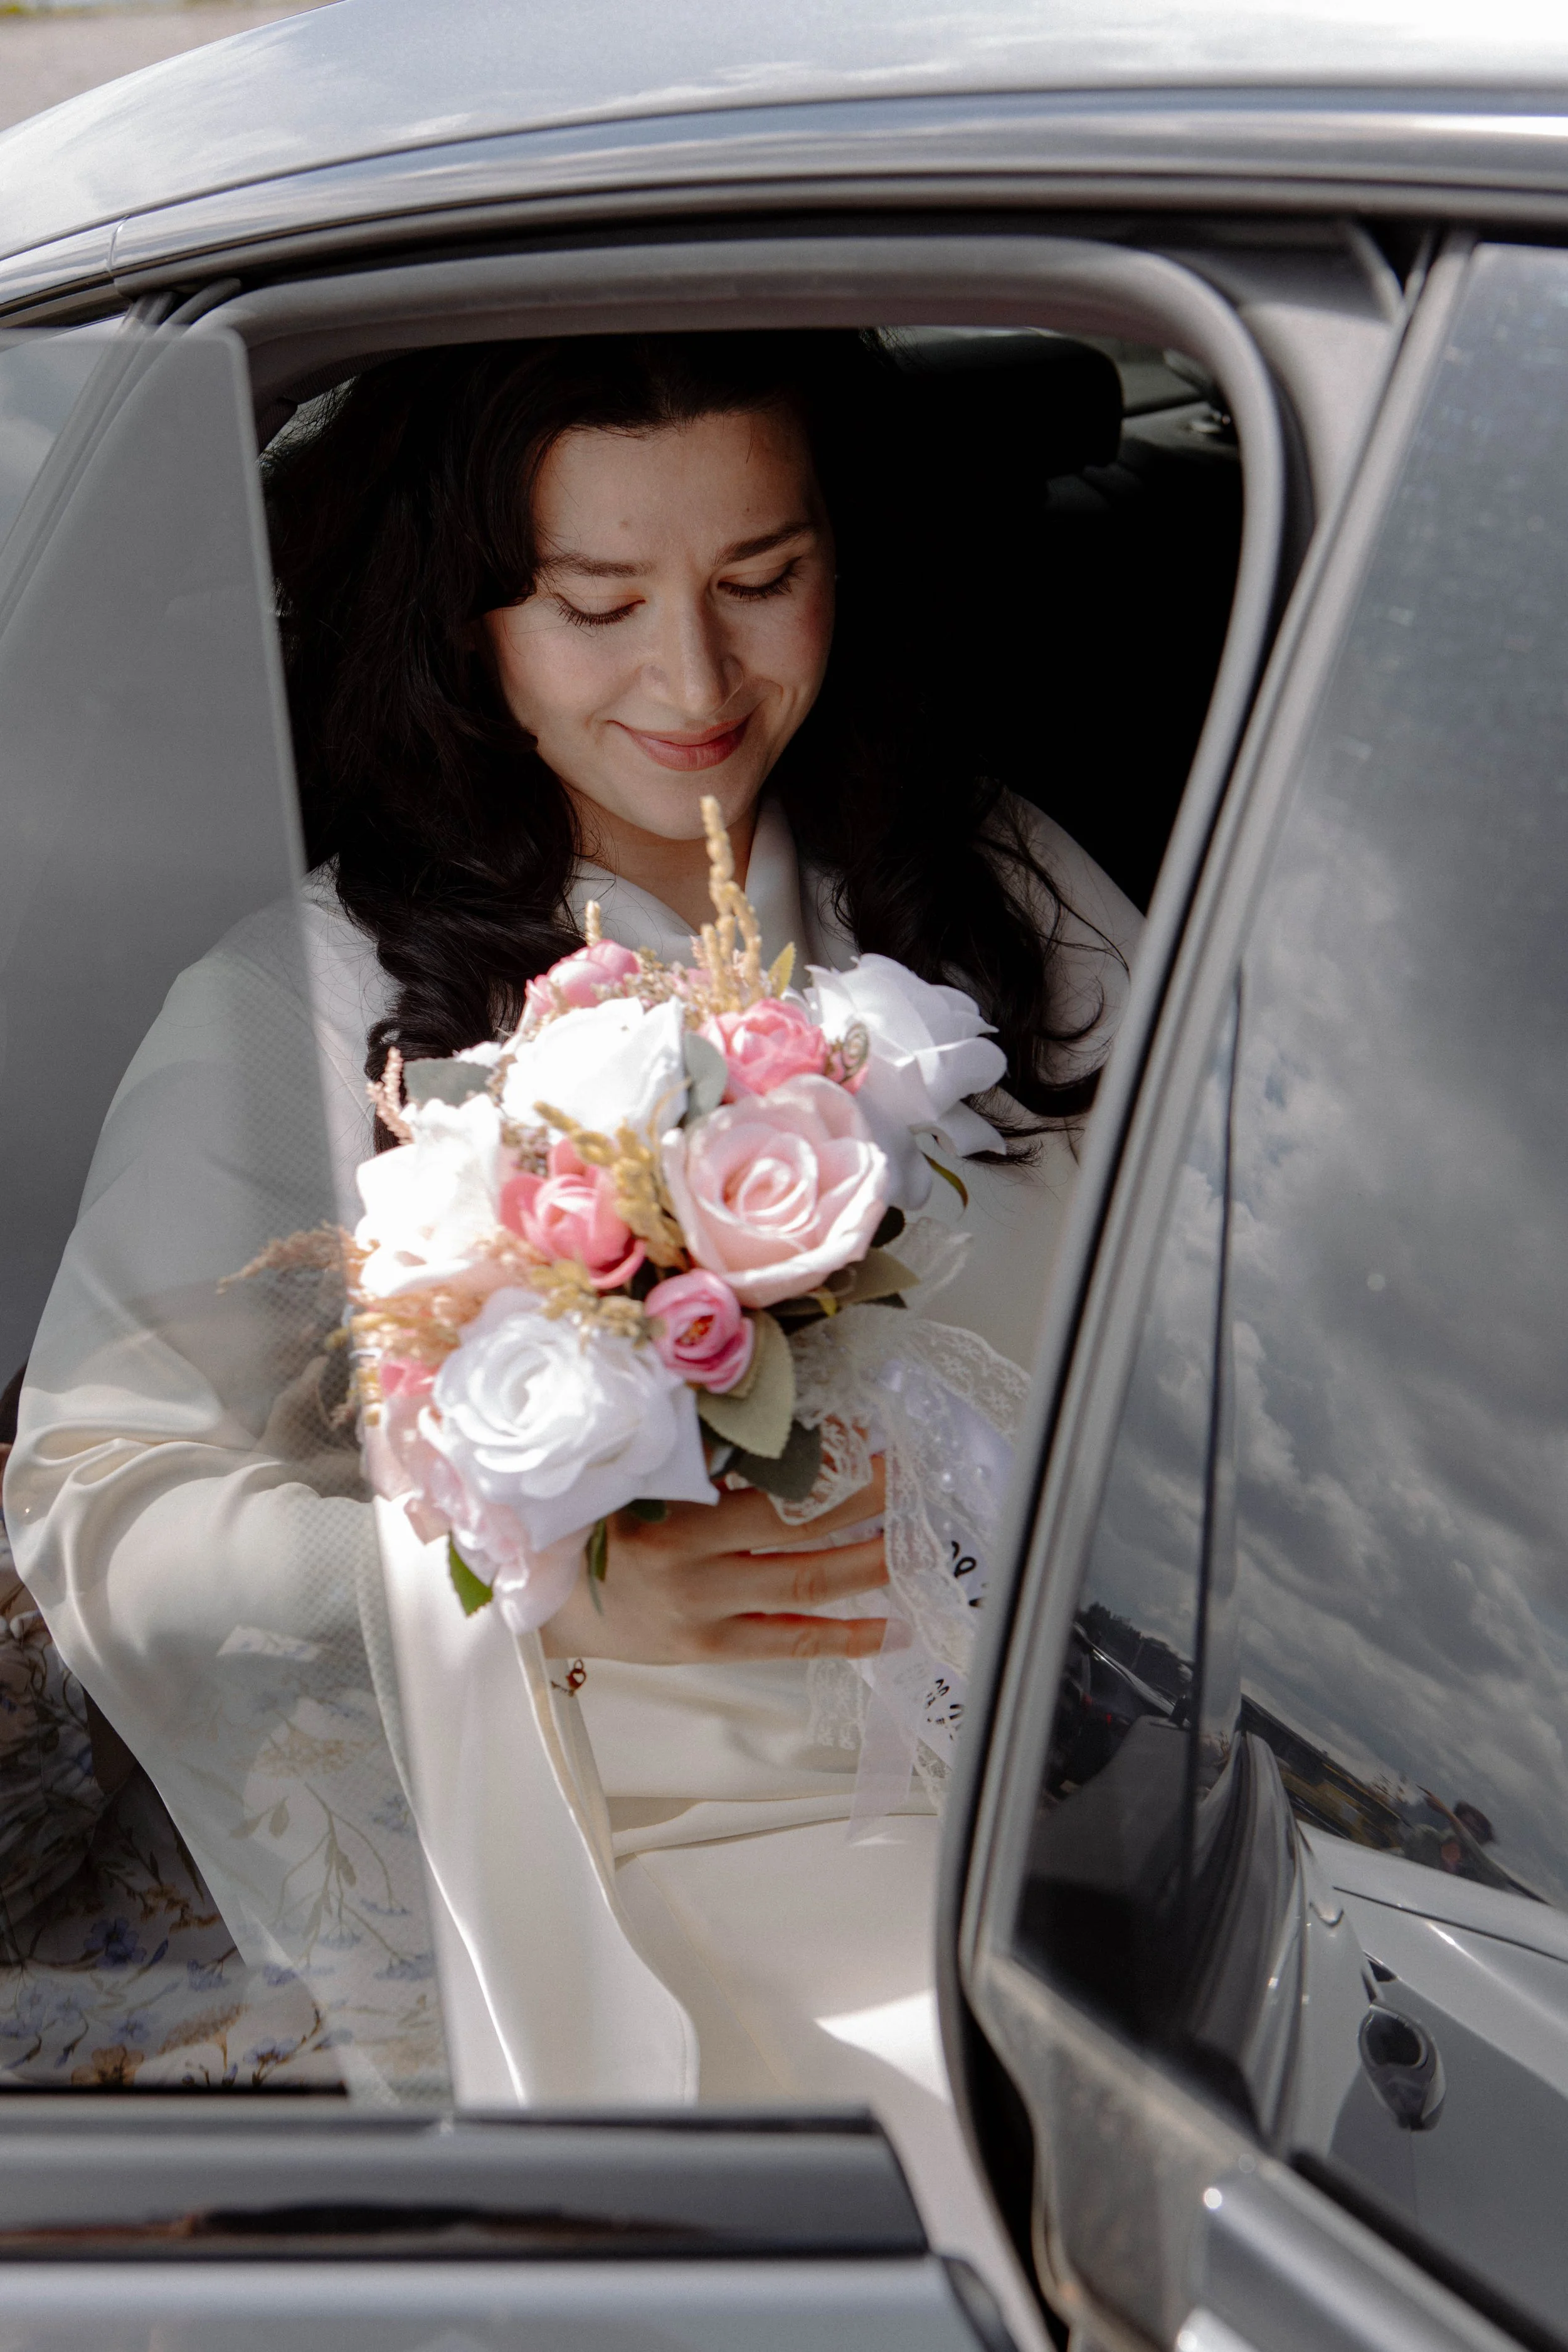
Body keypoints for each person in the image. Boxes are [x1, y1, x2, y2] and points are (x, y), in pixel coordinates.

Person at [4, 332, 1139, 2202]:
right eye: (597, 603)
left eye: (763, 582)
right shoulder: (310, 1003)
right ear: (470, 621)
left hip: (1098, 1800)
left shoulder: (980, 883)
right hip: (682, 1891)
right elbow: (104, 1508)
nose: (694, 679)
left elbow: (1236, 1255)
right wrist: (534, 1596)